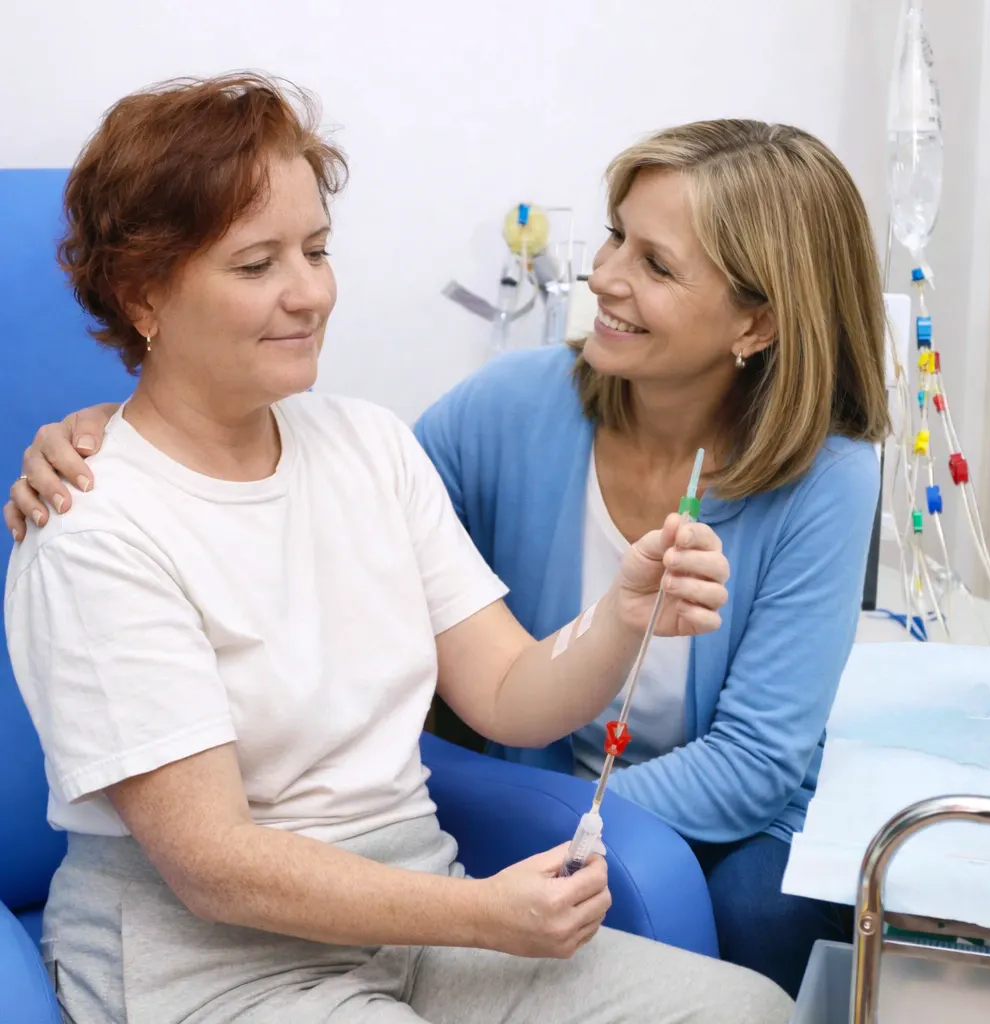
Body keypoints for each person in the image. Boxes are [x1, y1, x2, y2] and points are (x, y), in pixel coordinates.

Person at [4, 119, 887, 999]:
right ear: (143, 296)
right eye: (256, 264)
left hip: (419, 913)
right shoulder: (94, 525)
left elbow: (508, 693)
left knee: (742, 1007)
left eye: (316, 250)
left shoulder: (372, 447)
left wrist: (624, 612)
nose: (311, 294)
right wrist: (484, 916)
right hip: (212, 954)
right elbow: (213, 868)